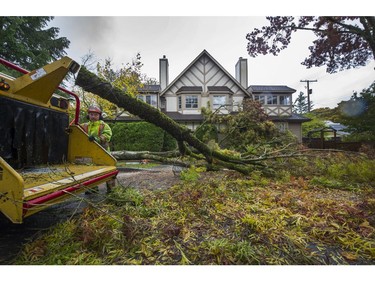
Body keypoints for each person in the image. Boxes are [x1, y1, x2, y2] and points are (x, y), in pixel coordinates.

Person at [81, 105, 115, 193]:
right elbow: (77, 132)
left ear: (99, 116)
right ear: (88, 115)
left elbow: (108, 135)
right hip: (90, 152)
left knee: (108, 170)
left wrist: (98, 139)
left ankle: (112, 190)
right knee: (90, 171)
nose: (93, 116)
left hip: (103, 151)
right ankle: (92, 188)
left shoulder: (103, 125)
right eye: (91, 114)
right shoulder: (84, 126)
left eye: (96, 115)